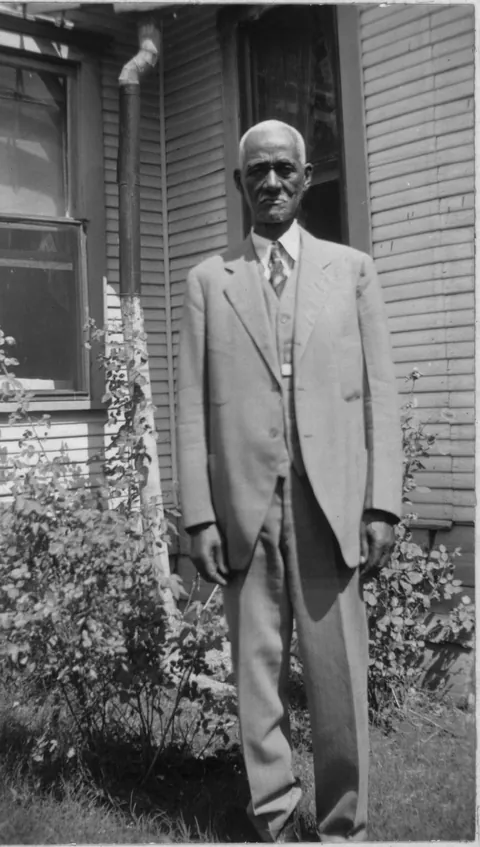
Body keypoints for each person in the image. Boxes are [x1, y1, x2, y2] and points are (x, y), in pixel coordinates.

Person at [176, 119, 402, 843]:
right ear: (239, 183)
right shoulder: (210, 281)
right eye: (256, 172)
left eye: (284, 169)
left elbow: (382, 393)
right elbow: (189, 405)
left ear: (305, 178)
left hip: (330, 504)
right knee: (256, 678)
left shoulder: (352, 269)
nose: (271, 182)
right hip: (244, 509)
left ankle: (344, 826)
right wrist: (199, 517)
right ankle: (272, 819)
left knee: (339, 679)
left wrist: (383, 502)